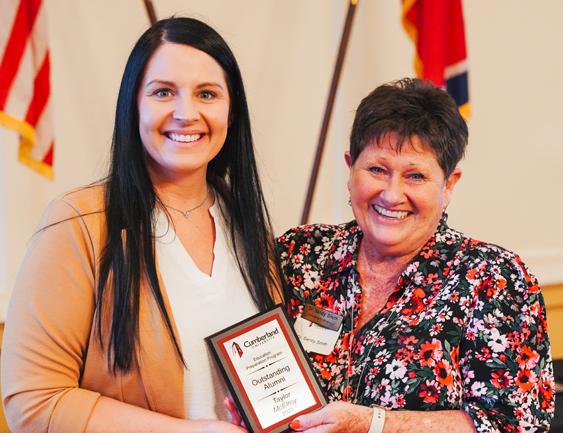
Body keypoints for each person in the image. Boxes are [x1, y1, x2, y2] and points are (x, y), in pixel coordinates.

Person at [1, 17, 281, 433]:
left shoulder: (246, 223)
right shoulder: (77, 222)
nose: (186, 113)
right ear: (133, 105)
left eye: (207, 94)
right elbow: (33, 402)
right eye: (163, 92)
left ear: (231, 110)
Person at [277, 78, 554, 432]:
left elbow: (513, 426)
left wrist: (373, 424)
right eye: (377, 170)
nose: (392, 195)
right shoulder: (300, 253)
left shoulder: (495, 280)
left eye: (415, 176)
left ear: (449, 184)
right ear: (350, 168)